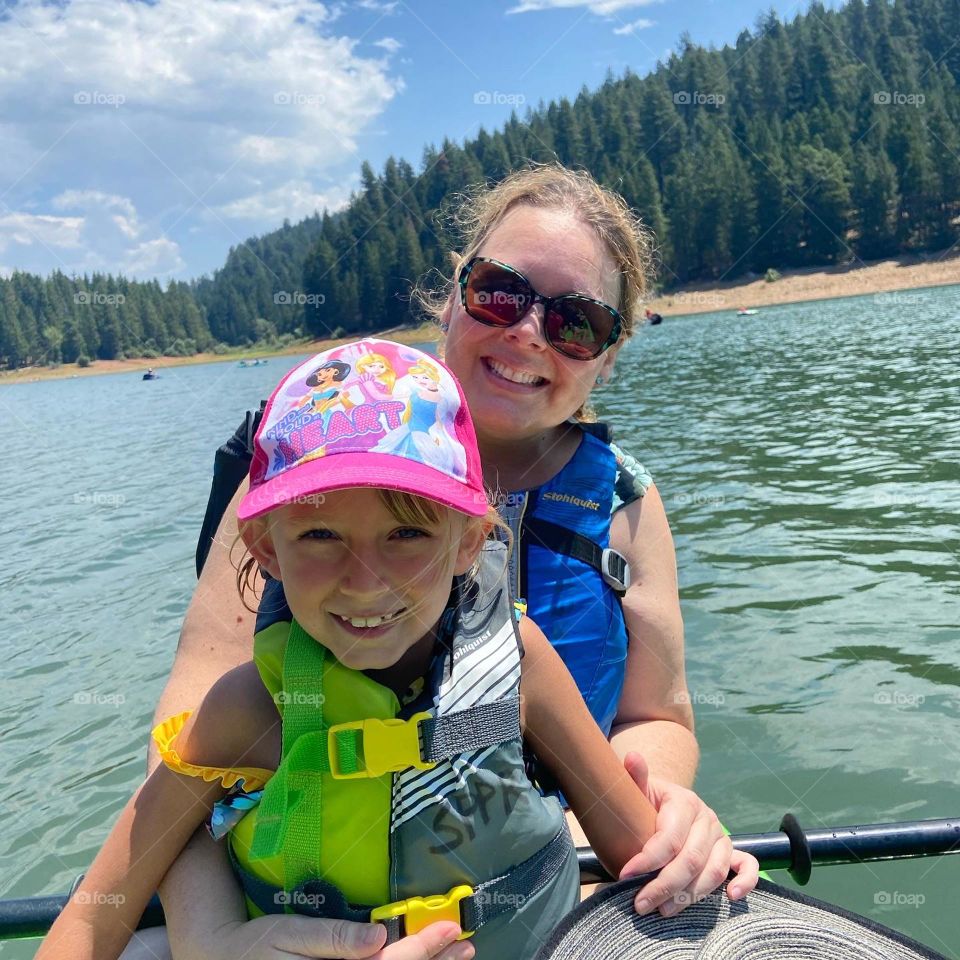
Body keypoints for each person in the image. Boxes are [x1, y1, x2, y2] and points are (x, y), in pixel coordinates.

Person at [141, 164, 758, 960]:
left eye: (577, 322)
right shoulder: (300, 474)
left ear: (608, 355)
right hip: (306, 920)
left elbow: (658, 718)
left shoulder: (626, 502)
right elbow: (183, 752)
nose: (529, 333)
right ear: (450, 298)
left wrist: (663, 804)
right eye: (500, 293)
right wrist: (209, 934)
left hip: (565, 892)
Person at [41, 340, 672, 960]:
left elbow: (646, 859)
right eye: (319, 533)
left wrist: (685, 842)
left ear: (468, 543)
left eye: (407, 532)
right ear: (265, 548)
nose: (366, 581)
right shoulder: (247, 708)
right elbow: (93, 918)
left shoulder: (521, 662)